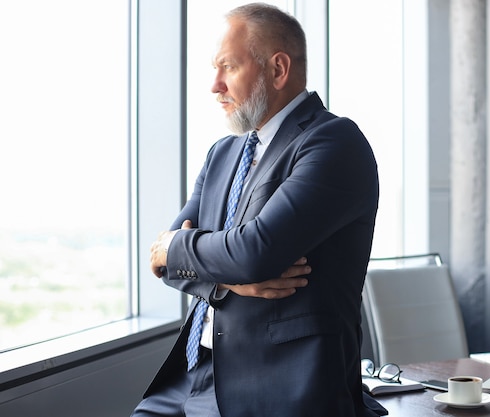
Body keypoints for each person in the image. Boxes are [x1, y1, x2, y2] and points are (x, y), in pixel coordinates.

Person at [132, 3, 384, 417]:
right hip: (191, 379)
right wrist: (230, 285)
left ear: (278, 69)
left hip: (278, 387)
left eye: (228, 67)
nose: (214, 85)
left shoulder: (334, 143)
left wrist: (193, 253)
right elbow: (164, 262)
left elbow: (252, 252)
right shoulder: (223, 153)